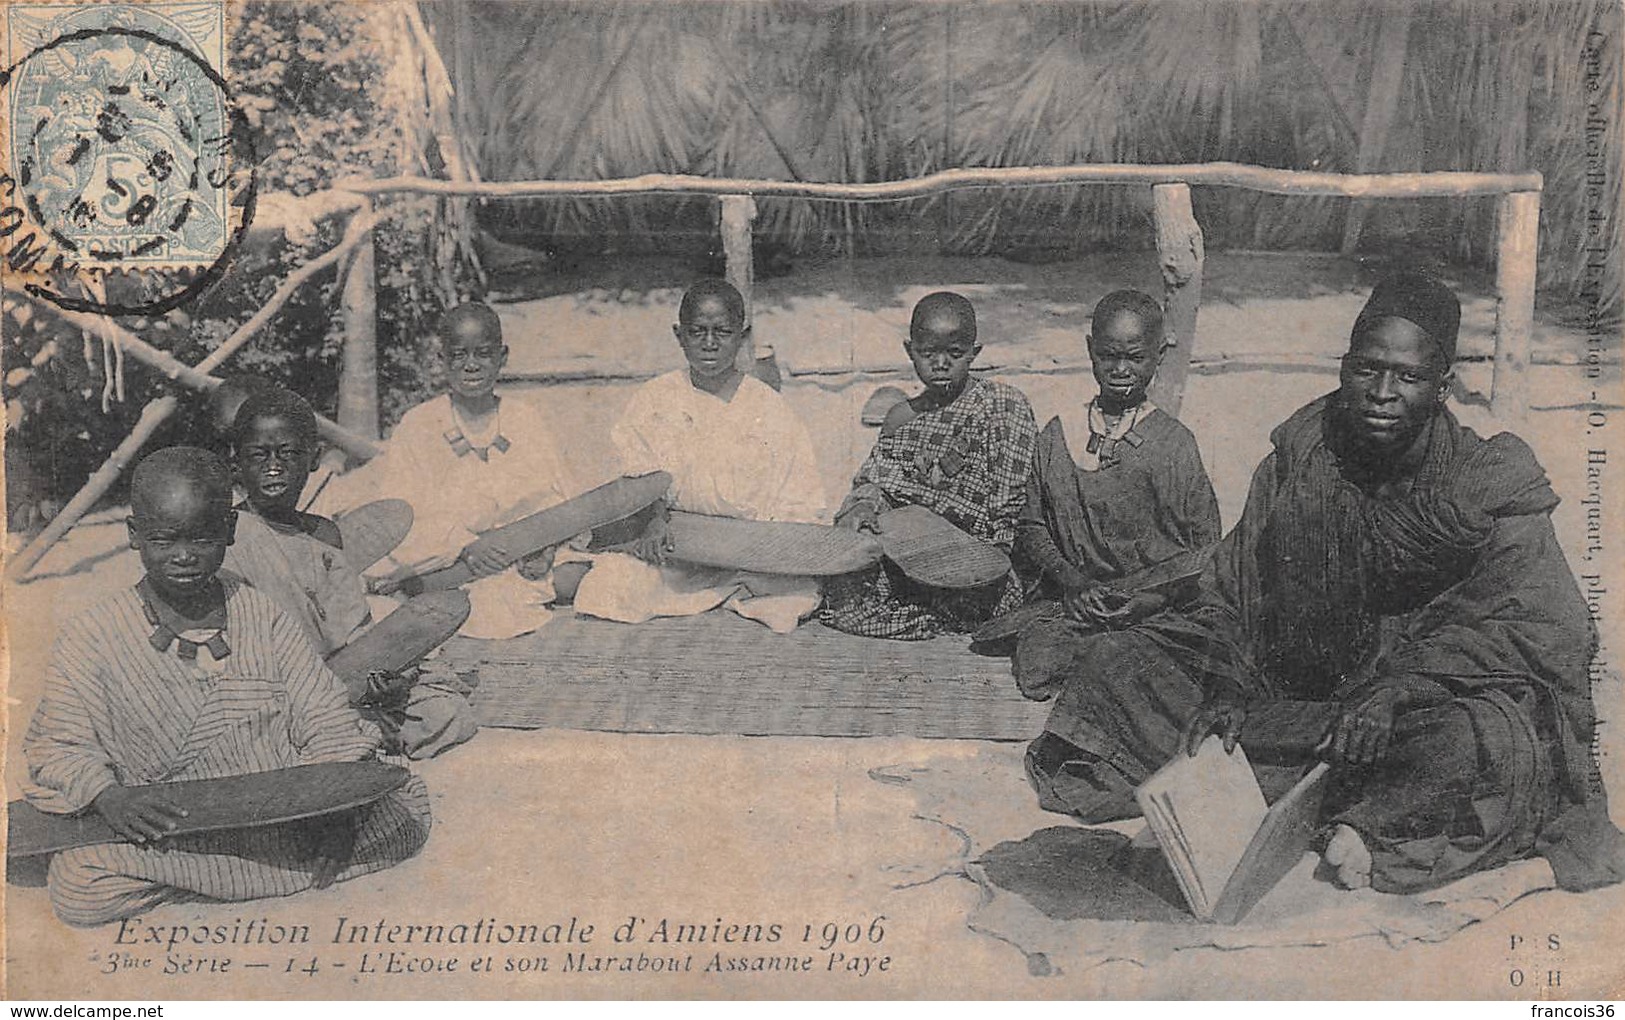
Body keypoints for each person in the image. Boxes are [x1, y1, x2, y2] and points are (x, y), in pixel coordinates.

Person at [1168, 272, 1621, 895]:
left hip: (1422, 709)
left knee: (1485, 741)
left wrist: (1403, 688)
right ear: (1344, 369)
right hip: (1301, 695)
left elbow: (1549, 631)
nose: (1382, 393)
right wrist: (1226, 680)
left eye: (1407, 377)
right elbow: (1233, 582)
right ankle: (1342, 800)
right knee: (1135, 666)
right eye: (1366, 370)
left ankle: (1344, 811)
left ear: (1443, 387)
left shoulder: (1485, 483)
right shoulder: (1301, 459)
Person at [23, 447, 432, 927]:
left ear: (230, 531)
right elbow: (58, 744)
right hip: (166, 827)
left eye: (202, 538)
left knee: (408, 811)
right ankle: (263, 874)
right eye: (163, 539)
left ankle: (221, 879)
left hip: (288, 814)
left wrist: (335, 812)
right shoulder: (91, 633)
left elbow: (325, 716)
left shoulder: (260, 613)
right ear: (135, 536)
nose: (184, 555)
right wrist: (111, 797)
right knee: (78, 886)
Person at [223, 386, 478, 759]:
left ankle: (351, 727)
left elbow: (353, 632)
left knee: (448, 713)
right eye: (259, 455)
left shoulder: (324, 535)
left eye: (289, 453)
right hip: (268, 689)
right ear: (236, 462)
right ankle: (345, 731)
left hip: (338, 678)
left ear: (314, 458)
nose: (274, 466)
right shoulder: (229, 536)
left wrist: (382, 679)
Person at [316, 302, 588, 640]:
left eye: (483, 354)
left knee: (576, 576)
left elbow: (560, 500)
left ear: (502, 357)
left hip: (518, 556)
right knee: (422, 582)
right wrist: (464, 545)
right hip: (449, 558)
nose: (471, 366)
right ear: (442, 361)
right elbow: (399, 515)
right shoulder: (419, 425)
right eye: (459, 355)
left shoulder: (528, 419)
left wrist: (544, 548)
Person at [570, 279, 828, 633]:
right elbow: (634, 475)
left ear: (742, 335)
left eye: (722, 332)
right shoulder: (656, 399)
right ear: (679, 335)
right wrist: (653, 520)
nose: (709, 343)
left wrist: (764, 544)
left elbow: (799, 493)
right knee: (611, 586)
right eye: (698, 332)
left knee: (790, 599)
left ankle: (739, 587)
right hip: (676, 548)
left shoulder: (769, 408)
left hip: (748, 549)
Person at [1011, 290, 1220, 699]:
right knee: (1038, 662)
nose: (1121, 369)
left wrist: (1153, 598)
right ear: (1091, 350)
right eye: (1109, 356)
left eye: (1136, 358)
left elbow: (1206, 545)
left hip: (1157, 607)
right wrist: (1072, 582)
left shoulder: (1174, 443)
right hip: (1080, 604)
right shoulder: (1057, 434)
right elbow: (1032, 525)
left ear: (1159, 355)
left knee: (1192, 651)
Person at [819, 291, 1038, 639]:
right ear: (910, 351)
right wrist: (862, 506)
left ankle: (927, 611)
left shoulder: (1002, 406)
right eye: (927, 353)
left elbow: (1012, 497)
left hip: (974, 558)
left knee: (1000, 600)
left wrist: (992, 555)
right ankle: (923, 617)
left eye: (954, 353)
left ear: (974, 353)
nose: (940, 363)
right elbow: (876, 482)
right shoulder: (899, 418)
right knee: (844, 596)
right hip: (905, 553)